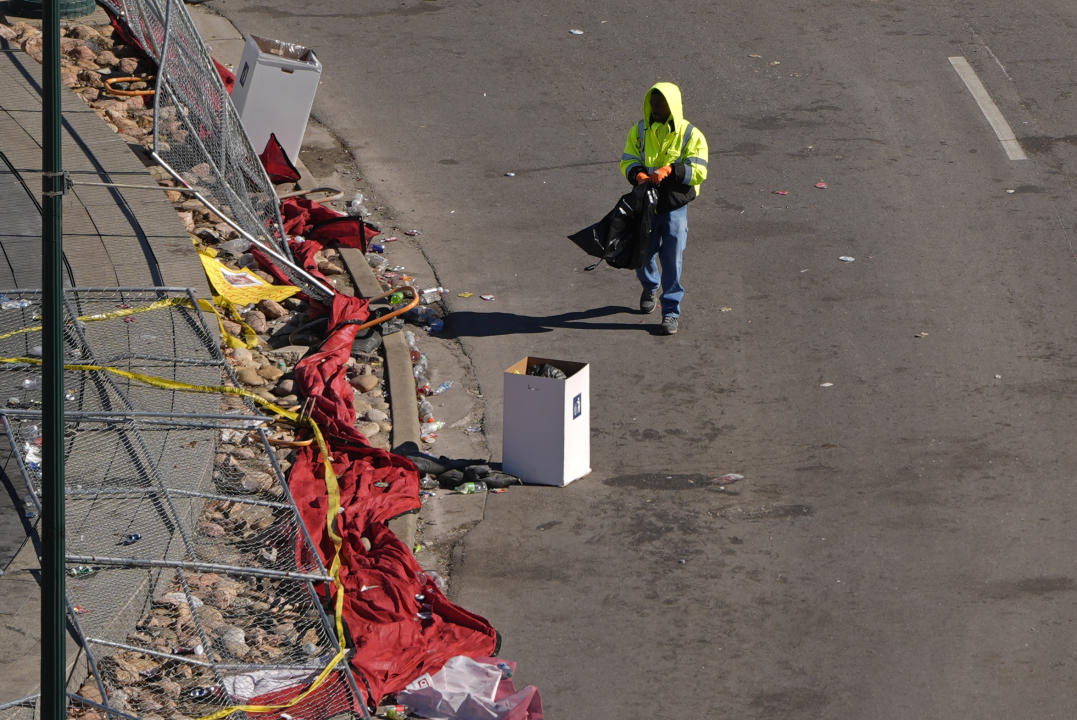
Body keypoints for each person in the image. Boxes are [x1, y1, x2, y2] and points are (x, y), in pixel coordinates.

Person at [619, 82, 708, 335]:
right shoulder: (639, 130)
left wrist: (671, 170)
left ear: (673, 106)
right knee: (641, 253)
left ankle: (670, 311)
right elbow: (628, 160)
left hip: (673, 207)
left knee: (671, 260)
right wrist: (637, 174)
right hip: (645, 203)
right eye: (653, 103)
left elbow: (699, 171)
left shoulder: (691, 135)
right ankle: (650, 285)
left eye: (661, 104)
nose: (656, 108)